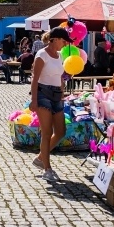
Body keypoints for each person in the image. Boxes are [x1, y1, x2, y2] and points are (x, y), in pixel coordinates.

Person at [30, 27, 72, 182]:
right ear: (54, 39)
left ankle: (41, 157)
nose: (64, 43)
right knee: (46, 133)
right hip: (43, 94)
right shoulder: (41, 55)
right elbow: (34, 79)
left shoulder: (60, 55)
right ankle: (47, 169)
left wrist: (62, 92)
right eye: (63, 40)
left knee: (61, 131)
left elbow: (60, 76)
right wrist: (34, 100)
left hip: (56, 95)